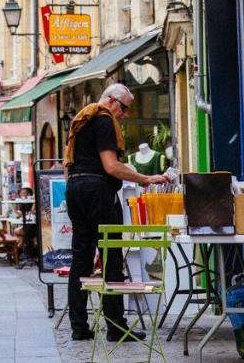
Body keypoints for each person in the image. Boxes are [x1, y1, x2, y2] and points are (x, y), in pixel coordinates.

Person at [65, 83, 169, 342]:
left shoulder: (82, 120)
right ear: (112, 101)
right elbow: (111, 166)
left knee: (81, 259)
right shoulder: (103, 119)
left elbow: (70, 164)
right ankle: (116, 326)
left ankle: (79, 326)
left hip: (75, 188)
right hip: (98, 192)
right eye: (124, 108)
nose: (123, 114)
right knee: (112, 256)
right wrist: (146, 178)